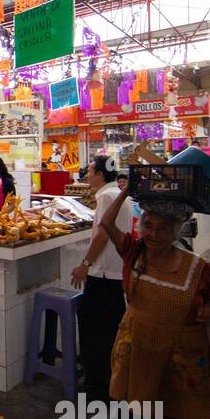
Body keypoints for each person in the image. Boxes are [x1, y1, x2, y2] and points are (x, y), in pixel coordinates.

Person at [95, 177, 210, 419]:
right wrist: (128, 188)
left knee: (189, 405)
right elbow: (106, 222)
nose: (153, 234)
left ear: (177, 231)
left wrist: (208, 308)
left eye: (162, 228)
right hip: (136, 342)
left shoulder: (199, 268)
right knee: (129, 403)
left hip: (183, 348)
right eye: (148, 226)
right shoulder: (133, 253)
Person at [70, 155, 131, 403]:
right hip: (114, 274)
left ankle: (99, 387)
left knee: (96, 332)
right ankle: (110, 382)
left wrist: (85, 264)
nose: (87, 174)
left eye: (90, 170)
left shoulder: (107, 197)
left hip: (104, 274)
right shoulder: (113, 194)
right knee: (110, 331)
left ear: (100, 174)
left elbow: (103, 236)